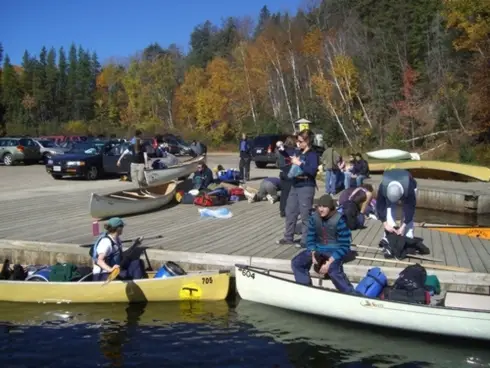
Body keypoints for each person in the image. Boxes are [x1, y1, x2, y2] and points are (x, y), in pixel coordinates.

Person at [291, 194, 355, 293]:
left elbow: (345, 246)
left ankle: (350, 293)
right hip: (318, 248)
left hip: (335, 250)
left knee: (333, 271)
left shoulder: (340, 220)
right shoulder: (314, 218)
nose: (321, 209)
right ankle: (305, 287)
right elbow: (310, 238)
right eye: (319, 206)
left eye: (324, 207)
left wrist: (329, 262)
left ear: (330, 207)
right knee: (297, 262)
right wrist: (312, 252)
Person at [276, 129, 319, 247]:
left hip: (306, 185)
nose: (298, 143)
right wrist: (281, 149)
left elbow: (312, 171)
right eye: (297, 141)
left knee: (305, 214)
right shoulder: (299, 152)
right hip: (295, 185)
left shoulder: (312, 155)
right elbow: (289, 157)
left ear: (307, 141)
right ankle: (288, 237)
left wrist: (300, 163)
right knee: (290, 211)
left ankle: (305, 240)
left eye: (300, 141)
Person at [91, 217, 144, 282]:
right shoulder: (106, 242)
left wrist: (135, 244)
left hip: (114, 272)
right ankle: (137, 284)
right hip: (102, 275)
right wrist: (110, 269)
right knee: (125, 274)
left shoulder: (117, 240)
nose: (123, 229)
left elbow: (123, 255)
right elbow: (99, 261)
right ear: (118, 228)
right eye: (122, 227)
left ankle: (139, 282)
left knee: (137, 263)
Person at [376, 169, 417, 241]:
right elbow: (380, 206)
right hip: (390, 190)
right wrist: (385, 224)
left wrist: (403, 227)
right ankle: (389, 232)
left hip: (408, 188)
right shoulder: (383, 187)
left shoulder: (409, 188)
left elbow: (410, 209)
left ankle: (408, 234)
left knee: (407, 211)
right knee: (390, 208)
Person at [276, 135, 296, 217]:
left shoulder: (281, 150)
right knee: (291, 193)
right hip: (289, 172)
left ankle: (282, 210)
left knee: (284, 193)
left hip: (282, 172)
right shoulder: (292, 151)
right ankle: (290, 210)